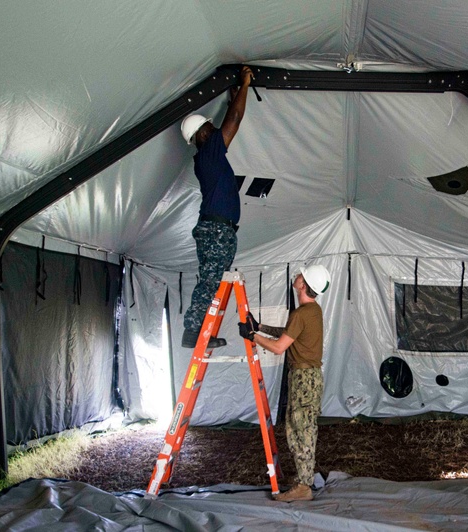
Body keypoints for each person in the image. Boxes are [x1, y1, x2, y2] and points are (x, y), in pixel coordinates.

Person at [239, 264, 331, 502]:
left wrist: (252, 336)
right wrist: (259, 327)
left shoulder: (302, 313)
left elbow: (280, 347)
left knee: (301, 431)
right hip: (308, 377)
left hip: (304, 379)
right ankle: (304, 480)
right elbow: (290, 332)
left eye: (301, 275)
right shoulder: (312, 311)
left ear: (303, 285)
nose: (297, 276)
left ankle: (304, 486)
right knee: (301, 428)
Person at [180, 66, 253, 348]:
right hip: (216, 230)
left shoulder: (209, 157)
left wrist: (235, 98)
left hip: (219, 230)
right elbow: (234, 119)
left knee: (213, 282)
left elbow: (230, 118)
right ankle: (193, 332)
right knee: (210, 282)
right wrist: (245, 85)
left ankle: (203, 332)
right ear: (201, 135)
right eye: (209, 128)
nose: (214, 131)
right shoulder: (208, 154)